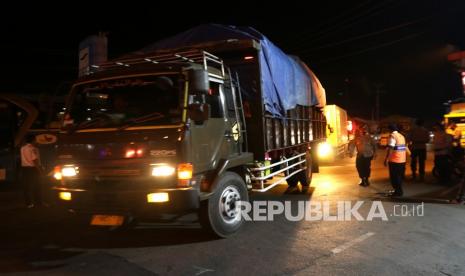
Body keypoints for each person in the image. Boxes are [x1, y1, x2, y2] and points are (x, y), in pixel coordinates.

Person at [20, 134, 44, 208]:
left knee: (27, 186)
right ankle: (39, 202)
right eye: (35, 139)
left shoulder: (22, 148)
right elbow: (35, 161)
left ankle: (29, 204)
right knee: (37, 185)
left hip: (24, 169)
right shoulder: (32, 148)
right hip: (32, 169)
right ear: (33, 140)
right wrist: (40, 170)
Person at [384, 124, 407, 196]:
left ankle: (398, 191)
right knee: (399, 176)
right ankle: (398, 190)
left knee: (394, 176)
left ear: (390, 130)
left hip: (394, 160)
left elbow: (391, 148)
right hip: (402, 160)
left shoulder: (392, 136)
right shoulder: (402, 136)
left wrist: (386, 159)